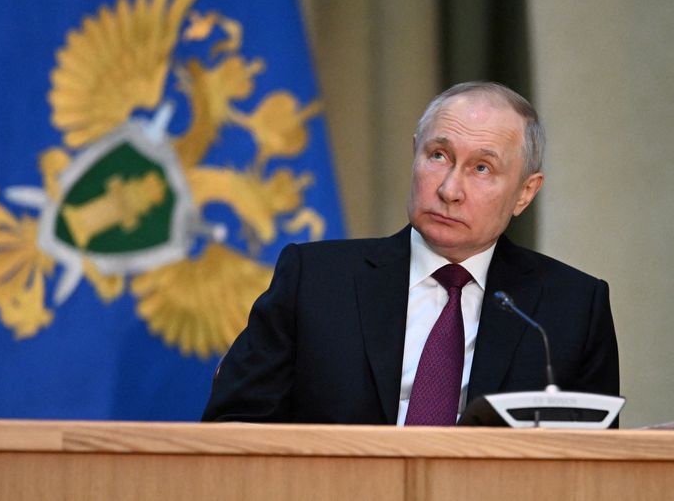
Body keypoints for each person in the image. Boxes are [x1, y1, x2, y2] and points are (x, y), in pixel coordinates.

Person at [202, 81, 619, 425]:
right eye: (438, 156)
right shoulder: (314, 281)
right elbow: (232, 432)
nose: (449, 190)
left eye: (481, 169)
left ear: (525, 193)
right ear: (415, 151)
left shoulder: (571, 310)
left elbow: (594, 468)